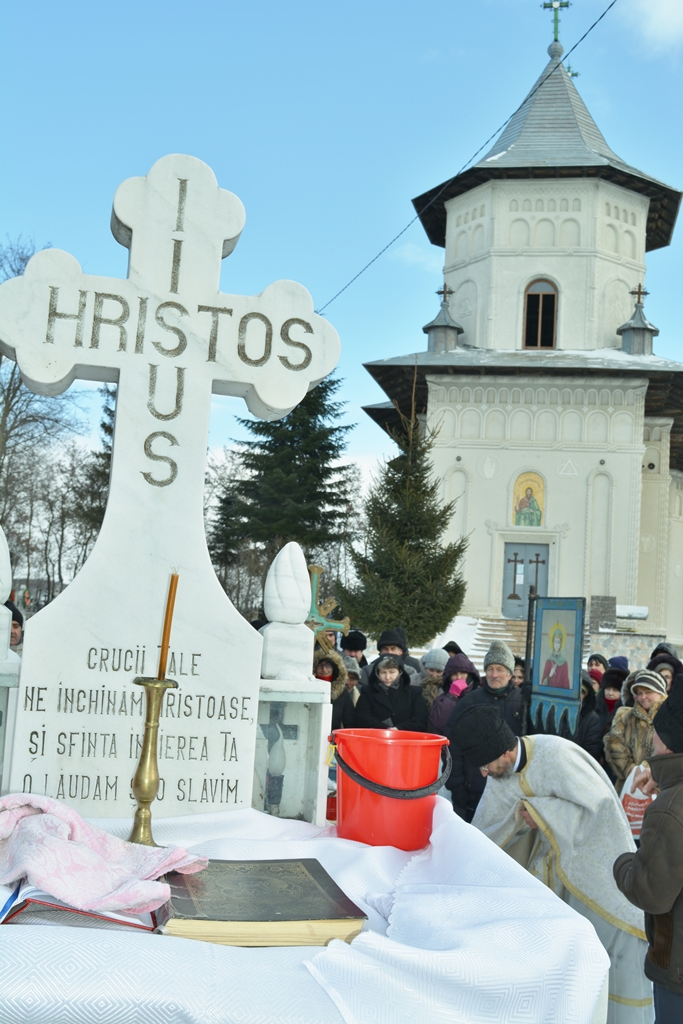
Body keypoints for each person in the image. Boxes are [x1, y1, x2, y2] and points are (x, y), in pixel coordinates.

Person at [453, 705, 652, 1020]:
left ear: (504, 752)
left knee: (610, 947)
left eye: (485, 765)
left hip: (591, 872)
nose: (484, 773)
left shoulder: (558, 755)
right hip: (549, 883)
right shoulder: (501, 774)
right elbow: (487, 831)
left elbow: (599, 809)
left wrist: (543, 812)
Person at [614, 678, 683, 1023]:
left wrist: (623, 861)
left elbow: (652, 893)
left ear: (667, 742)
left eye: (656, 731)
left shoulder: (669, 809)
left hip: (678, 967)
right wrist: (663, 779)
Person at [445, 639, 525, 822]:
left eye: (500, 669)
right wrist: (457, 787)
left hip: (513, 793)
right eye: (490, 669)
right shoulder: (469, 702)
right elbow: (452, 747)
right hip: (474, 792)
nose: (494, 675)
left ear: (510, 674)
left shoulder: (523, 702)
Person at [605, 670, 668, 794]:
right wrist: (631, 770)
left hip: (660, 788)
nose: (643, 697)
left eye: (648, 692)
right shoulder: (625, 716)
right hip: (629, 786)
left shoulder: (671, 717)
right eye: (639, 693)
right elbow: (613, 745)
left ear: (660, 692)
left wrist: (646, 770)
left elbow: (670, 751)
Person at [353, 654, 428, 732]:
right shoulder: (367, 692)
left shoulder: (414, 693)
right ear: (377, 673)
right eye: (383, 672)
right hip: (375, 736)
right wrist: (385, 729)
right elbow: (362, 717)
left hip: (406, 737)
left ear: (400, 672)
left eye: (392, 672)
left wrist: (398, 728)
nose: (387, 677)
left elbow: (420, 720)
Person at [429, 653, 480, 736]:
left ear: (470, 675)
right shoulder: (441, 700)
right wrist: (452, 696)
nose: (459, 677)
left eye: (463, 673)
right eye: (454, 674)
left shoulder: (479, 695)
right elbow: (438, 724)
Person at [313, 650, 354, 731]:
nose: (324, 669)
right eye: (319, 665)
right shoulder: (309, 690)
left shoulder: (342, 692)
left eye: (328, 666)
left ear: (334, 668)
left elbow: (350, 722)